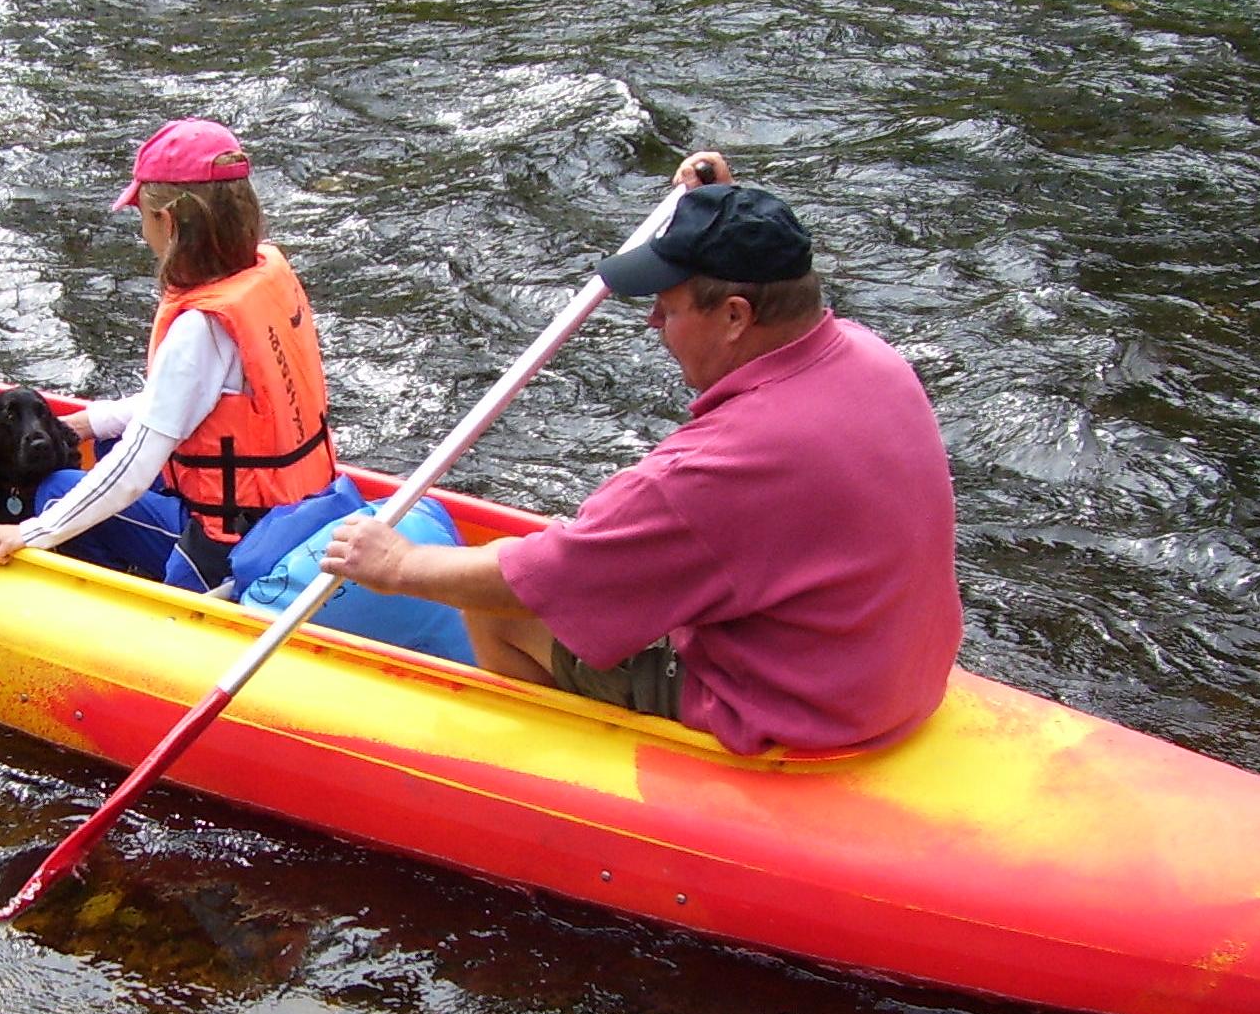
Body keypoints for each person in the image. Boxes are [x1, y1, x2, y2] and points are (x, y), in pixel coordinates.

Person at [320, 154, 962, 755]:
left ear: (735, 317)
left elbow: (546, 582)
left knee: (495, 605)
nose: (654, 321)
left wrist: (400, 564)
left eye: (668, 306)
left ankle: (557, 768)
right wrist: (715, 206)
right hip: (891, 675)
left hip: (801, 710)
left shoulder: (711, 470)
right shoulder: (871, 358)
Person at [0, 119, 338, 591]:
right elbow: (198, 399)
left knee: (55, 490)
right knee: (106, 444)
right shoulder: (261, 278)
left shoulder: (200, 328)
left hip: (234, 546)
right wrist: (92, 422)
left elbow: (135, 468)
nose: (144, 232)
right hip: (300, 506)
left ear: (167, 222)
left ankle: (120, 597)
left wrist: (32, 532)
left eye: (142, 217)